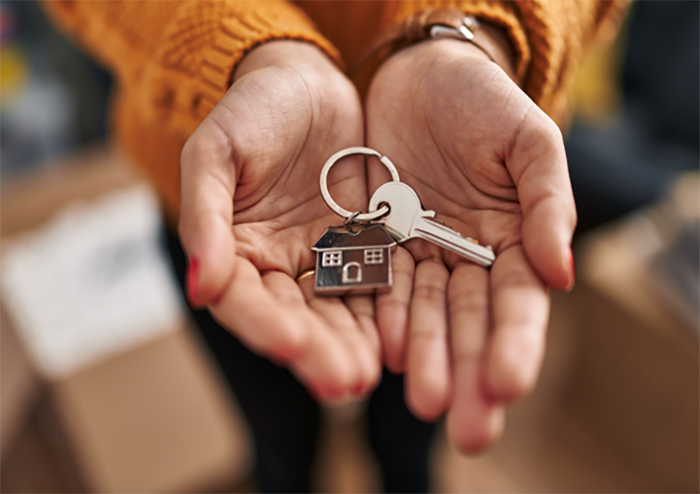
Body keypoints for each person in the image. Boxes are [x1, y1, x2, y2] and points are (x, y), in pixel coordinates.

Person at [42, 0, 631, 492]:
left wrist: (483, 30)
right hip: (241, 211)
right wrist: (245, 45)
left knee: (408, 450)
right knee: (278, 445)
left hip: (459, 184)